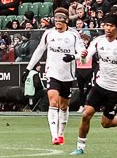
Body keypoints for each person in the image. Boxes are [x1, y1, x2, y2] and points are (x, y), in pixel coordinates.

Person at [70, 12, 117, 155]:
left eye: (111, 26)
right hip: (100, 85)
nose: (107, 28)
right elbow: (85, 59)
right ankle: (80, 147)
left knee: (105, 123)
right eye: (106, 25)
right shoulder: (98, 41)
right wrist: (82, 57)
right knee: (85, 114)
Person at [25, 8, 83, 146]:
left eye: (61, 19)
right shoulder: (48, 34)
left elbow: (83, 52)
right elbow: (39, 50)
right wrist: (28, 69)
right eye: (56, 19)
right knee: (53, 101)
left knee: (63, 106)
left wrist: (73, 57)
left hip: (67, 75)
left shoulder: (74, 35)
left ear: (66, 20)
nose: (58, 21)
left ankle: (61, 133)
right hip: (52, 73)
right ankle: (54, 136)